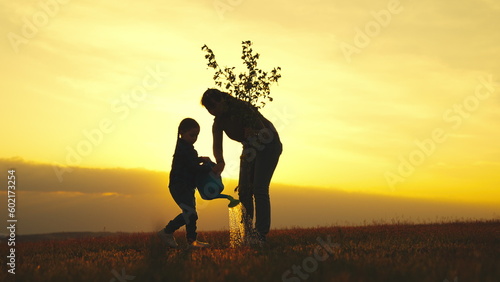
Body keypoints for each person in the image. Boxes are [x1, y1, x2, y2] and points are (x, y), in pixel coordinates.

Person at [201, 89, 283, 244]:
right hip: (249, 147)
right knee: (244, 191)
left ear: (222, 100)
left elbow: (265, 133)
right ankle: (248, 234)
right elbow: (217, 145)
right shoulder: (218, 121)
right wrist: (220, 162)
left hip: (268, 144)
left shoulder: (242, 108)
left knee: (259, 188)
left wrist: (254, 132)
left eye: (213, 106)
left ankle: (260, 235)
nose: (212, 111)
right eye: (209, 109)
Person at [158, 118, 212, 248]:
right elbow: (192, 167)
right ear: (182, 132)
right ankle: (167, 231)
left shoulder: (186, 149)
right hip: (179, 185)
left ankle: (191, 241)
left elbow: (191, 162)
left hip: (187, 187)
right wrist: (209, 167)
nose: (194, 138)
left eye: (197, 135)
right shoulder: (185, 149)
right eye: (192, 135)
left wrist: (200, 159)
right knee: (190, 213)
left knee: (191, 214)